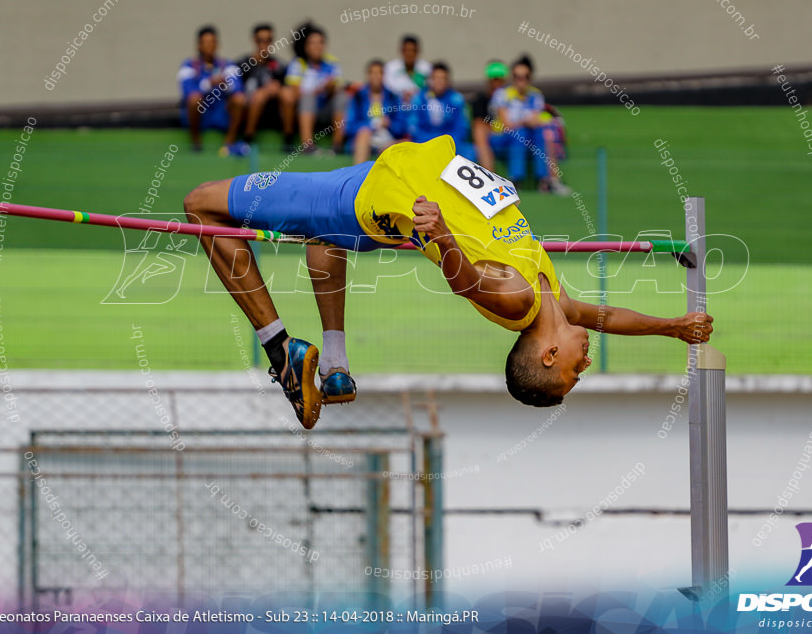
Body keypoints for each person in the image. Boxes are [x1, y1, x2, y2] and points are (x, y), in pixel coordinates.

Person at [183, 136, 713, 429]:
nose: (587, 360)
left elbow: (469, 284)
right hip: (388, 180)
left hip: (373, 201)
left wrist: (443, 238)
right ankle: (336, 363)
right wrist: (672, 327)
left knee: (202, 202)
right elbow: (612, 317)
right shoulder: (555, 300)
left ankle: (279, 352)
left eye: (576, 369)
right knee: (323, 239)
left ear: (549, 355)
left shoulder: (518, 300)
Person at [491, 55, 568, 193]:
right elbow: (507, 125)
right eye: (517, 76)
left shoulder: (536, 95)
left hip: (528, 136)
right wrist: (524, 121)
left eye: (525, 76)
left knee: (541, 132)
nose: (521, 81)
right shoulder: (502, 94)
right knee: (520, 132)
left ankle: (545, 180)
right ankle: (515, 180)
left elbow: (537, 119)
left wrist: (534, 121)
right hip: (501, 138)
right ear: (512, 77)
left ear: (530, 78)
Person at [178, 25, 249, 156]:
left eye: (212, 42)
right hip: (202, 115)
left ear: (217, 44)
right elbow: (187, 91)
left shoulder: (227, 65)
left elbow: (238, 88)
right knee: (194, 100)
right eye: (205, 43)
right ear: (198, 45)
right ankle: (196, 142)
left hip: (222, 113)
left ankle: (228, 143)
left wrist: (225, 85)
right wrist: (208, 83)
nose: (209, 46)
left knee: (239, 99)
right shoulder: (189, 65)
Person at [280, 23, 346, 154]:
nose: (317, 46)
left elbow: (338, 90)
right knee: (308, 97)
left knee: (342, 97)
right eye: (313, 43)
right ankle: (307, 145)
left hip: (326, 110)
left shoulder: (333, 64)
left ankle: (338, 146)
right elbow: (295, 93)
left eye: (320, 42)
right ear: (306, 46)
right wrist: (316, 91)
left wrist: (330, 88)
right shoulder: (298, 64)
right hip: (305, 110)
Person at [345, 60, 408, 165]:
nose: (376, 76)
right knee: (364, 134)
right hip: (365, 139)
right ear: (368, 75)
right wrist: (371, 125)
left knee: (406, 144)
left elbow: (402, 126)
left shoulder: (392, 97)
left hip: (386, 139)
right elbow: (349, 126)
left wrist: (389, 124)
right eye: (372, 73)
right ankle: (360, 176)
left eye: (379, 73)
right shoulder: (358, 97)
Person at [408, 62, 474, 160]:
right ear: (431, 79)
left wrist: (446, 143)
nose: (440, 82)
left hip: (450, 142)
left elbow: (462, 127)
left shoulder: (456, 99)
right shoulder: (419, 98)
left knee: (470, 151)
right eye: (437, 78)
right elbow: (412, 126)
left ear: (448, 81)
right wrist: (431, 142)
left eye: (443, 78)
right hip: (424, 142)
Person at [236, 23, 286, 146]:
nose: (264, 44)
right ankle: (248, 138)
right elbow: (235, 91)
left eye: (268, 40)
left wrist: (278, 88)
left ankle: (288, 139)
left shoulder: (279, 66)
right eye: (260, 40)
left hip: (273, 113)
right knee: (259, 95)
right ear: (254, 40)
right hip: (248, 112)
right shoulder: (242, 64)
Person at [470, 60, 509, 171]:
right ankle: (490, 174)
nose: (496, 82)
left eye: (499, 78)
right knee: (479, 130)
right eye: (493, 78)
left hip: (511, 134)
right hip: (493, 136)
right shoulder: (481, 100)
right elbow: (479, 122)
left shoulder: (511, 97)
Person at [383, 35, 432, 102]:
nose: (409, 54)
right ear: (401, 51)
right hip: (396, 105)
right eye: (407, 50)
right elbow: (388, 89)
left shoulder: (427, 68)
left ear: (418, 52)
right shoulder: (390, 68)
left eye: (412, 50)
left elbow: (430, 89)